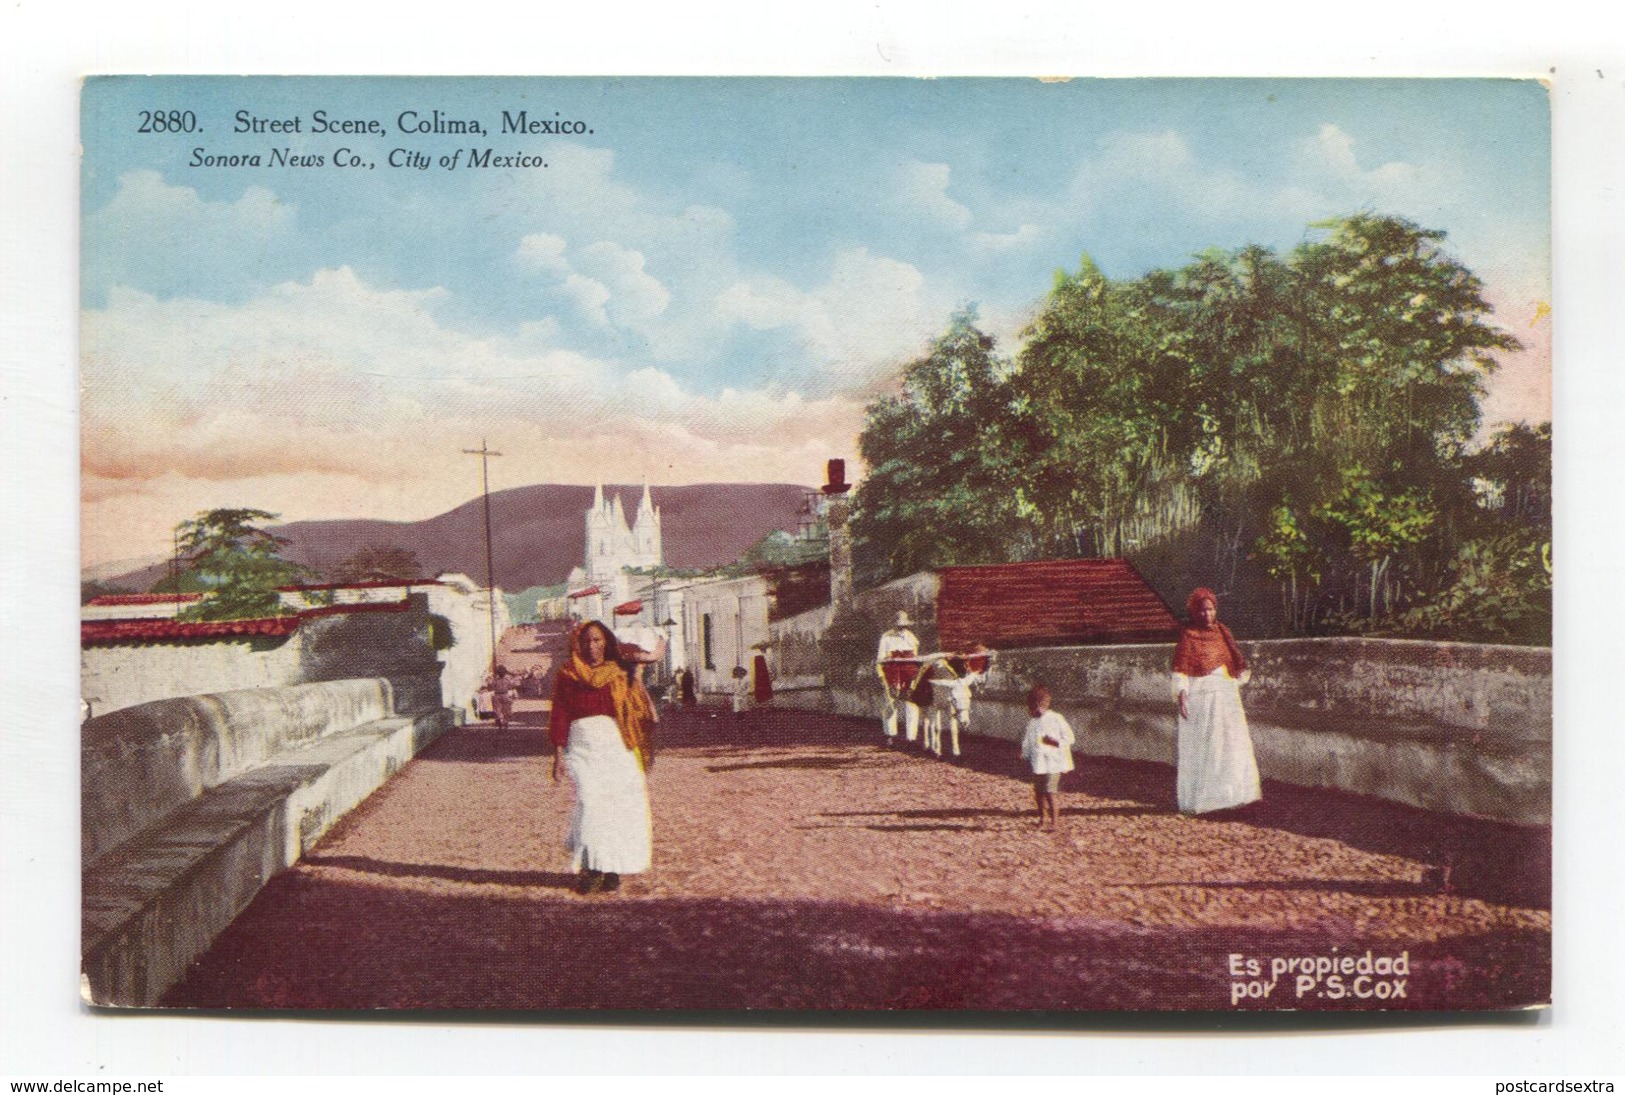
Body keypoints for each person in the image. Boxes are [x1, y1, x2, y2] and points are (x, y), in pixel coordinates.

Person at [549, 621, 655, 895]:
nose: (592, 646)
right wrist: (558, 753)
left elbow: (637, 707)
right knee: (590, 802)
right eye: (586, 641)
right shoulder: (568, 673)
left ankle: (610, 868)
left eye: (597, 640)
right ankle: (591, 868)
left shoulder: (619, 672)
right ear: (577, 644)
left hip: (617, 746)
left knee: (616, 808)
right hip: (582, 744)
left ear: (606, 641)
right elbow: (560, 712)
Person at [1171, 587, 1261, 814]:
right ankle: (1208, 800)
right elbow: (1181, 667)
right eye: (1202, 611)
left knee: (1231, 744)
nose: (1207, 615)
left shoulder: (1223, 632)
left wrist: (1234, 679)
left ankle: (1234, 796)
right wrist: (1181, 692)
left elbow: (1235, 662)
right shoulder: (1188, 635)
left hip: (1226, 695)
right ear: (1194, 612)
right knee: (1207, 746)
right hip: (1202, 696)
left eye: (1210, 610)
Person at [1019, 685, 1074, 830]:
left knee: (1050, 791)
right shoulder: (1032, 722)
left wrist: (1054, 742)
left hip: (1053, 762)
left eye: (1039, 705)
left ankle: (1054, 822)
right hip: (1038, 763)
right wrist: (1024, 755)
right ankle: (1042, 819)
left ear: (1046, 703)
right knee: (1038, 792)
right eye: (1032, 706)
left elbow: (1069, 737)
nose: (1035, 709)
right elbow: (1027, 741)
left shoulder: (1056, 718)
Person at [876, 610, 923, 748]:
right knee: (891, 704)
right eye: (899, 625)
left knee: (911, 705)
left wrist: (915, 674)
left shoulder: (912, 638)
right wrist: (881, 675)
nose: (902, 628)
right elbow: (880, 659)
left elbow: (915, 657)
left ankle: (911, 738)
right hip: (891, 673)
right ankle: (890, 735)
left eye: (904, 625)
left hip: (908, 674)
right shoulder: (886, 638)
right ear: (894, 625)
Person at [484, 665, 519, 730]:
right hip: (498, 695)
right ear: (498, 673)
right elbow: (490, 687)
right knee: (497, 710)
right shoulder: (495, 680)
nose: (501, 673)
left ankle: (504, 721)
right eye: (500, 672)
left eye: (502, 672)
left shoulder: (506, 680)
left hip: (504, 694)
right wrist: (488, 683)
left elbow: (512, 686)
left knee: (506, 709)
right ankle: (500, 720)